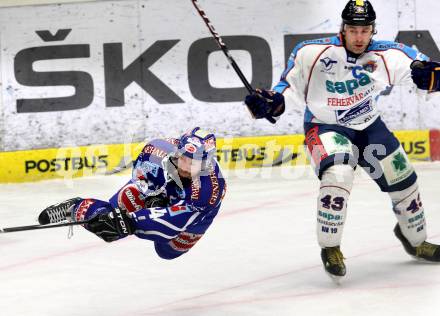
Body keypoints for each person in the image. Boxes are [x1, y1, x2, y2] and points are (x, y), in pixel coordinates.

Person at [245, 0, 440, 280]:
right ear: (343, 29)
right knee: (338, 175)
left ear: (373, 30)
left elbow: (421, 69)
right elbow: (286, 88)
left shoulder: (388, 54)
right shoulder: (311, 52)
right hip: (325, 127)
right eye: (353, 30)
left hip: (369, 127)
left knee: (404, 179)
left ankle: (416, 241)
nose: (359, 37)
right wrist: (272, 103)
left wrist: (432, 77)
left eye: (365, 30)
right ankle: (330, 247)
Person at [38, 127, 226, 260]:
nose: (185, 167)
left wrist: (132, 221)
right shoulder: (157, 149)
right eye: (183, 159)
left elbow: (174, 223)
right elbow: (140, 177)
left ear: (206, 162)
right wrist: (148, 194)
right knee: (113, 217)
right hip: (162, 188)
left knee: (167, 252)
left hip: (194, 217)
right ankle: (77, 207)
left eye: (192, 163)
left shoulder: (208, 191)